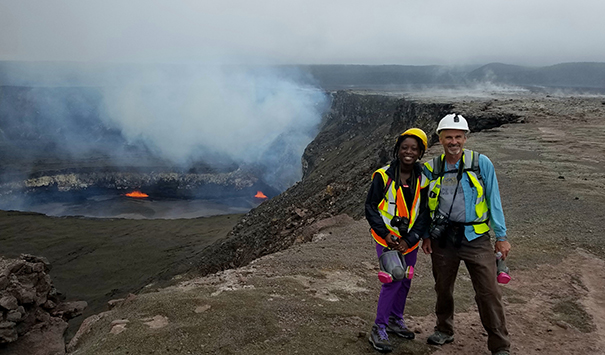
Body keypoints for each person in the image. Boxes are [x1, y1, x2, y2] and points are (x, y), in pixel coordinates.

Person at [421, 113, 512, 355]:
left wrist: (501, 236)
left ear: (465, 138)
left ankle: (500, 345)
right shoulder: (432, 168)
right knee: (442, 287)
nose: (454, 142)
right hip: (443, 238)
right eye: (448, 137)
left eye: (458, 137)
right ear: (440, 139)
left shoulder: (482, 164)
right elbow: (421, 205)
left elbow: (494, 200)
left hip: (476, 237)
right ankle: (444, 329)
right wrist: (426, 235)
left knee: (489, 291)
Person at [365, 128, 430, 353]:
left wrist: (411, 238)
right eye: (404, 148)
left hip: (409, 241)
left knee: (406, 280)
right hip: (387, 240)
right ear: (397, 149)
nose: (408, 152)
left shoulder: (423, 178)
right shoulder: (382, 176)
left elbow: (424, 213)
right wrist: (386, 234)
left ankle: (395, 319)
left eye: (414, 148)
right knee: (393, 279)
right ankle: (379, 327)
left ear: (421, 151)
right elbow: (371, 207)